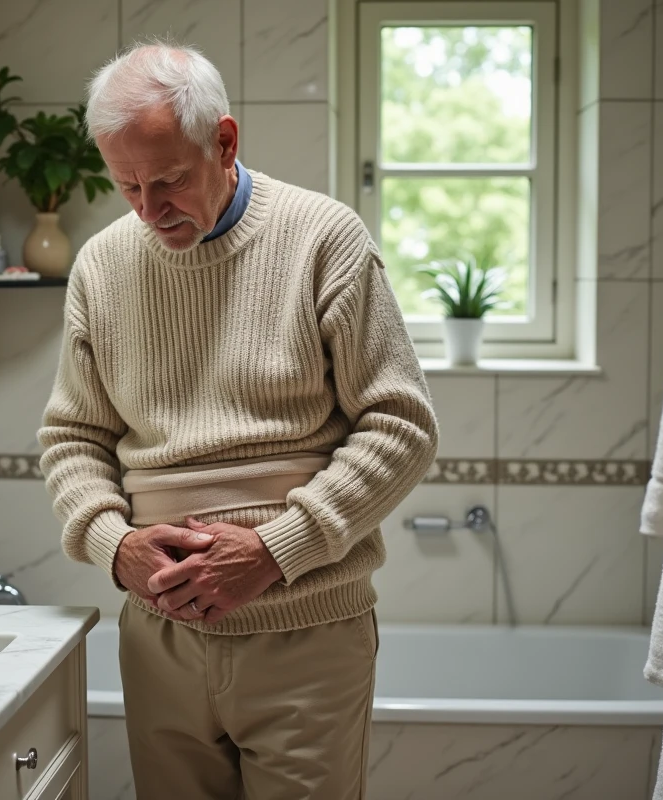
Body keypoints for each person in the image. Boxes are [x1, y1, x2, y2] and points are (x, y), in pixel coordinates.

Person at [38, 39, 438, 800]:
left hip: (307, 633)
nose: (150, 211)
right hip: (160, 641)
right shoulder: (101, 265)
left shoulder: (325, 239)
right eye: (127, 187)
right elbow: (74, 438)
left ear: (225, 142)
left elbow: (401, 425)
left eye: (169, 182)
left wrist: (275, 550)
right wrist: (114, 545)